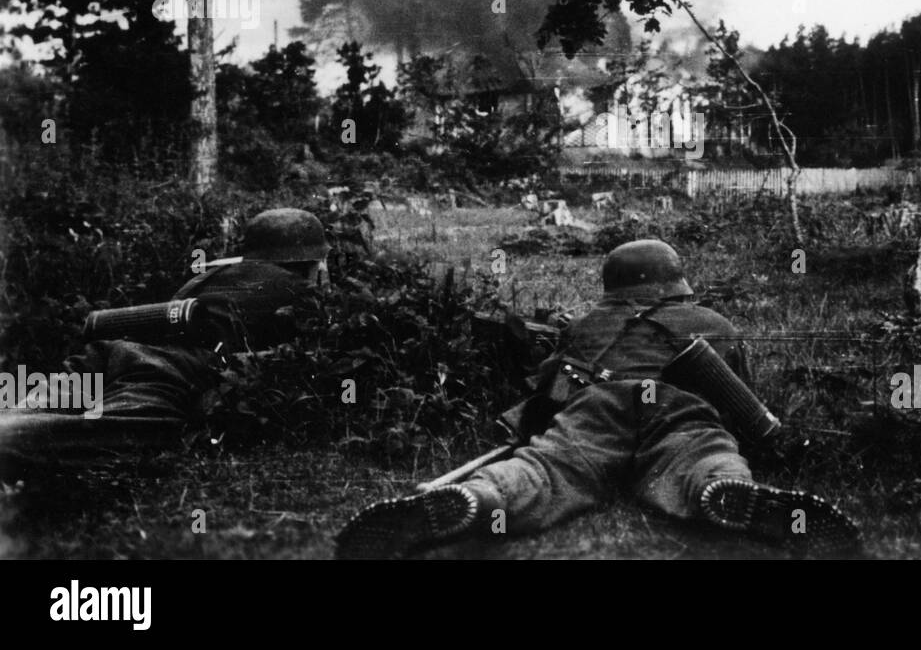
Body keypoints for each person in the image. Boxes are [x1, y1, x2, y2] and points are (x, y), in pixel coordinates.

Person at [336, 239, 860, 558]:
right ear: (674, 282)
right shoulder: (711, 324)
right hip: (679, 412)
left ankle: (485, 496)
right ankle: (722, 488)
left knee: (546, 470)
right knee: (703, 452)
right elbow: (743, 409)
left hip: (596, 408)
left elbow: (550, 396)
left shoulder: (588, 324)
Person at [0, 208, 326, 471]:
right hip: (165, 371)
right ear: (310, 262)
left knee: (22, 412)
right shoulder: (300, 291)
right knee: (87, 436)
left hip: (112, 350)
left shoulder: (210, 275)